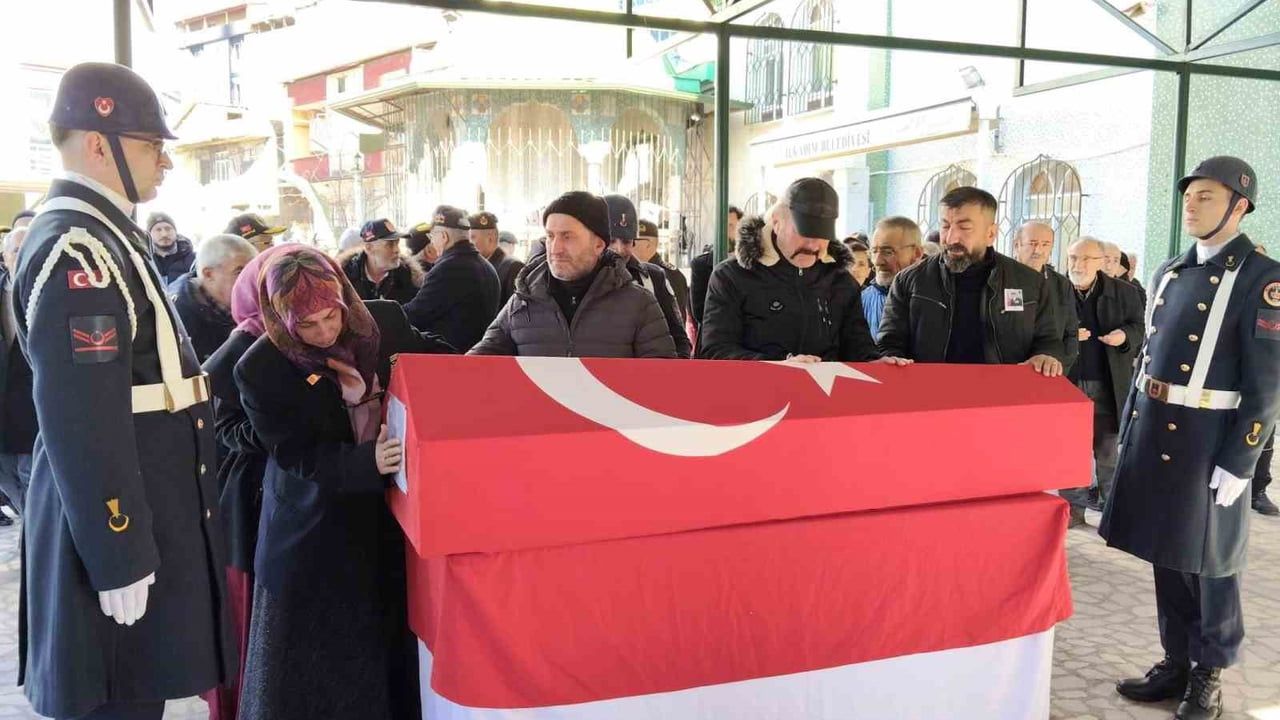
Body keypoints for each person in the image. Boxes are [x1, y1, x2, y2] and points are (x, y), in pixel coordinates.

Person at [13, 61, 232, 720]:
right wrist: (119, 549)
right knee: (116, 700)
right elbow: (83, 416)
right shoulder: (78, 249)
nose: (164, 163)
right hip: (115, 521)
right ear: (99, 143)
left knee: (139, 696)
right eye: (150, 145)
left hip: (140, 507)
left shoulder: (105, 237)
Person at [235, 246, 453, 720]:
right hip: (313, 526)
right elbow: (293, 453)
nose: (324, 332)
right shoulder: (259, 366)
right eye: (306, 327)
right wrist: (361, 461)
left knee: (387, 640)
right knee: (319, 666)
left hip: (389, 518)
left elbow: (440, 362)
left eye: (330, 317)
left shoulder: (383, 322)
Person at [1103, 157, 1280, 720]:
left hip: (1211, 437)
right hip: (1156, 425)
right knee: (1167, 551)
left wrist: (1242, 458)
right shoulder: (1170, 270)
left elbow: (1269, 382)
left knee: (1212, 562)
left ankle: (1209, 673)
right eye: (1189, 195)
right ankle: (1175, 660)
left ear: (1239, 205)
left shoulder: (1263, 278)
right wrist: (1131, 425)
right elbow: (1148, 355)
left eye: (1207, 195)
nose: (1192, 204)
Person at [198, 244, 289, 720]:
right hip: (249, 501)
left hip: (290, 499)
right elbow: (220, 424)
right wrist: (281, 428)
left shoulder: (317, 332)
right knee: (250, 616)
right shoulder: (240, 347)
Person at [699, 178, 902, 365]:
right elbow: (715, 350)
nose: (813, 245)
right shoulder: (731, 276)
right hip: (756, 398)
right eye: (804, 233)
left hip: (826, 400)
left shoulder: (841, 281)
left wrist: (874, 363)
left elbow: (857, 346)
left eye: (822, 236)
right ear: (777, 223)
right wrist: (778, 367)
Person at [878, 187, 1064, 375]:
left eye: (964, 227)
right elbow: (889, 343)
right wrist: (891, 359)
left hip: (1003, 395)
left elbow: (1049, 340)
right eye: (945, 226)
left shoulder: (1029, 282)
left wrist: (1045, 356)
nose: (951, 237)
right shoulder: (910, 281)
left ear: (991, 234)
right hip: (929, 392)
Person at [470, 191, 676, 359]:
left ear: (598, 244)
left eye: (567, 237)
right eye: (550, 236)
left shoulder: (639, 305)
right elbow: (476, 368)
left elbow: (662, 383)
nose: (555, 248)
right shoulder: (522, 302)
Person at [1057, 237, 1144, 528]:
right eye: (1072, 258)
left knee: (1107, 450)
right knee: (1070, 450)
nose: (1077, 265)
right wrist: (1067, 338)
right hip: (1066, 383)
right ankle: (1073, 511)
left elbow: (1139, 328)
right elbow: (1039, 330)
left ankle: (1112, 510)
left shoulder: (1123, 291)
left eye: (1085, 259)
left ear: (1101, 262)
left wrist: (1123, 338)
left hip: (1106, 382)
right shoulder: (1055, 289)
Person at [603, 194, 692, 358]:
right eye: (612, 240)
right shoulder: (575, 280)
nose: (619, 249)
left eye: (627, 241)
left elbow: (679, 339)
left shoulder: (653, 277)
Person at [403, 205, 500, 351]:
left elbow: (417, 314)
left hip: (449, 360)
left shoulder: (449, 268)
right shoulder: (486, 266)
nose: (432, 242)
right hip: (477, 356)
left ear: (443, 237)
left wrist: (386, 313)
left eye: (432, 236)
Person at [169, 234, 257, 363]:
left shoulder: (253, 307)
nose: (250, 281)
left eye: (253, 272)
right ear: (209, 274)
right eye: (239, 272)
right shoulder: (177, 320)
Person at [0, 227, 35, 520]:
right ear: (4, 256)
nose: (23, 256)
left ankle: (34, 531)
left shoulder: (47, 294)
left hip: (30, 414)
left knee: (30, 479)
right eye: (16, 250)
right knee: (7, 480)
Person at [1014, 222, 1080, 374]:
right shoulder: (1001, 278)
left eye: (1045, 244)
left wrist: (1059, 366)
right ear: (1017, 245)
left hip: (1048, 372)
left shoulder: (1061, 284)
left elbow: (1071, 332)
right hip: (1011, 369)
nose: (1038, 250)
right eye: (1032, 243)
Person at [338, 219, 424, 305]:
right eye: (389, 245)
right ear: (369, 248)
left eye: (397, 243)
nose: (397, 250)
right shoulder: (345, 277)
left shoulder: (407, 275)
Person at [864, 216, 923, 339]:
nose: (878, 261)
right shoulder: (860, 301)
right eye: (874, 251)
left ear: (916, 253)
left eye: (888, 252)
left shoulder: (933, 299)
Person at [632, 219, 692, 329]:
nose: (629, 246)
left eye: (633, 242)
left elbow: (675, 320)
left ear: (648, 245)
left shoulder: (668, 275)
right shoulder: (631, 271)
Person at [690, 204, 741, 331]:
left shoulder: (752, 264)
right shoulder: (701, 265)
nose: (726, 231)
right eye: (722, 225)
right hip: (714, 334)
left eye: (731, 226)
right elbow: (699, 311)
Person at [469, 212, 525, 307]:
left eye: (472, 237)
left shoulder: (513, 267)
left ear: (490, 239)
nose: (469, 243)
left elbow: (517, 310)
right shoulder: (476, 265)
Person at [145, 211, 196, 285]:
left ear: (175, 232)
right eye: (158, 230)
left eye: (168, 229)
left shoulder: (194, 261)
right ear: (149, 234)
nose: (164, 234)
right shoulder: (143, 261)